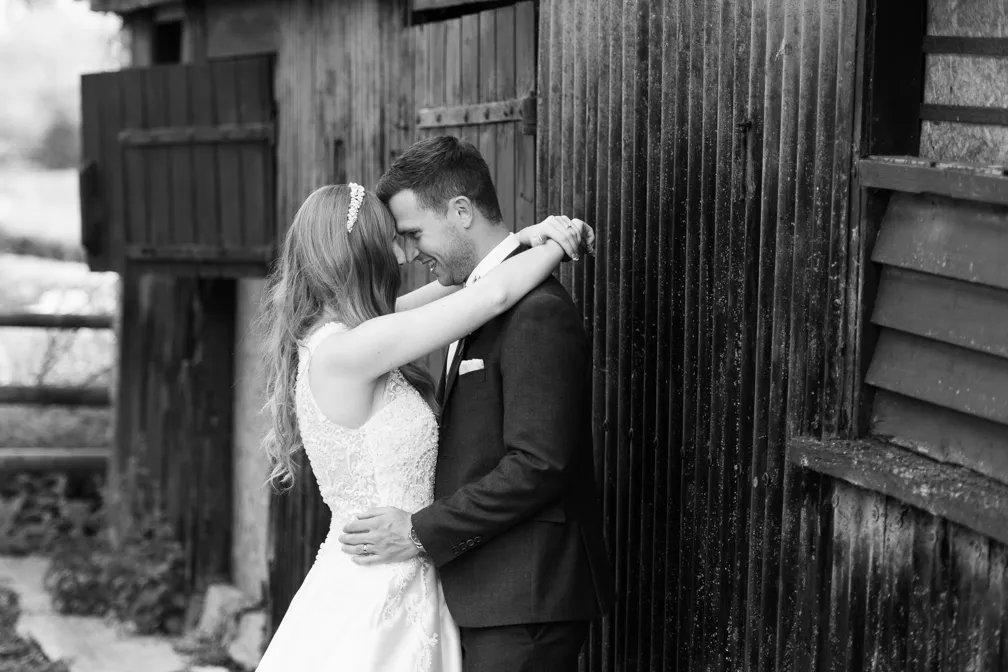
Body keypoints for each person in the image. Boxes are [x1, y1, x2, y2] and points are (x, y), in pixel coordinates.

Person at [255, 171, 594, 671]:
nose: (400, 257)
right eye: (389, 244)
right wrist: (558, 245)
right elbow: (488, 299)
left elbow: (448, 292)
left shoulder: (337, 336)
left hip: (406, 570)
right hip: (383, 581)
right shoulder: (351, 350)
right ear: (358, 256)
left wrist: (519, 240)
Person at [338, 136, 615, 672]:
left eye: (415, 233)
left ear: (461, 211)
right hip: (485, 593)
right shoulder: (477, 298)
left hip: (524, 598)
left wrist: (418, 531)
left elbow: (540, 464)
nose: (412, 252)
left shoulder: (538, 311)